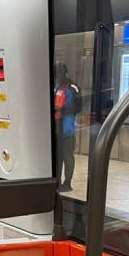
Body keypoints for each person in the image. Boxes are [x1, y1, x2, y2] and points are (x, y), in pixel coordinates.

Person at [52, 64, 80, 192]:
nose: (57, 77)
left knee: (67, 156)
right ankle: (56, 181)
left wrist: (61, 110)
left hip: (67, 129)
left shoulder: (71, 87)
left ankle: (67, 183)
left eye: (58, 74)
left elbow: (77, 107)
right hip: (57, 129)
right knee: (57, 157)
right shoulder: (57, 86)